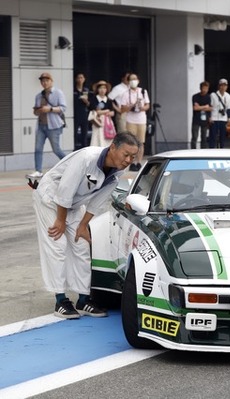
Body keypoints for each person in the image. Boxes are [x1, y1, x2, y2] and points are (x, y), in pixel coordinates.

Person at [32, 132, 140, 319]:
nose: (129, 160)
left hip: (73, 204)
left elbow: (97, 201)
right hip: (51, 199)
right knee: (58, 245)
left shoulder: (118, 172)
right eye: (126, 154)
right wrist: (60, 221)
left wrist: (83, 225)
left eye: (133, 156)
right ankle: (60, 300)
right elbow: (65, 189)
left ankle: (83, 299)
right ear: (113, 147)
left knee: (81, 246)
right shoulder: (86, 158)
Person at [30, 72, 67, 178]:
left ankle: (70, 165)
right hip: (41, 125)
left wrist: (50, 109)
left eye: (46, 80)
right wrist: (38, 110)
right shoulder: (39, 95)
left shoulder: (58, 93)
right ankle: (38, 170)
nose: (44, 82)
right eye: (42, 81)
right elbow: (35, 111)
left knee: (56, 149)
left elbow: (63, 108)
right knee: (38, 148)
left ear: (51, 81)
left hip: (54, 126)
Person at [117, 73, 150, 170]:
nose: (133, 81)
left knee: (141, 142)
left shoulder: (143, 91)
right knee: (131, 142)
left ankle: (138, 162)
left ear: (138, 80)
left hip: (141, 120)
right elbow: (122, 109)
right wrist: (132, 105)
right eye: (131, 79)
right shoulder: (126, 93)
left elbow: (147, 105)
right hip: (131, 120)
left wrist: (141, 107)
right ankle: (131, 162)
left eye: (135, 79)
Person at [88, 80, 115, 147]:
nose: (102, 90)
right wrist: (106, 111)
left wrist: (109, 113)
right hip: (98, 121)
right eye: (100, 88)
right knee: (97, 138)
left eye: (104, 88)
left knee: (107, 140)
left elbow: (112, 112)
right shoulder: (93, 99)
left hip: (107, 122)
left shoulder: (108, 100)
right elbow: (95, 111)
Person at [210, 78, 230, 148]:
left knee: (222, 137)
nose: (223, 87)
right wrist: (209, 117)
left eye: (225, 85)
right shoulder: (213, 95)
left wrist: (229, 118)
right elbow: (210, 106)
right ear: (219, 86)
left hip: (223, 118)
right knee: (213, 136)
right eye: (221, 85)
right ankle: (211, 150)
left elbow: (229, 108)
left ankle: (222, 149)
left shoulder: (228, 96)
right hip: (214, 118)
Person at [191, 81, 212, 149]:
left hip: (205, 119)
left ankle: (203, 151)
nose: (205, 90)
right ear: (201, 88)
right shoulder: (195, 96)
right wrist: (205, 106)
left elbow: (210, 108)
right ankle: (193, 151)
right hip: (196, 119)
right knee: (194, 136)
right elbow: (195, 108)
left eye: (207, 88)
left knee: (204, 137)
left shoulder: (208, 97)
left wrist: (200, 107)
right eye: (204, 88)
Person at [73, 73, 90, 150]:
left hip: (84, 114)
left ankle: (84, 149)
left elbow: (90, 104)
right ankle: (75, 148)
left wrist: (86, 101)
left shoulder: (86, 90)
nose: (80, 79)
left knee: (84, 133)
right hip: (75, 114)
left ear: (84, 79)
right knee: (74, 133)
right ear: (76, 79)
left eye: (82, 78)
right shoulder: (73, 90)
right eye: (78, 78)